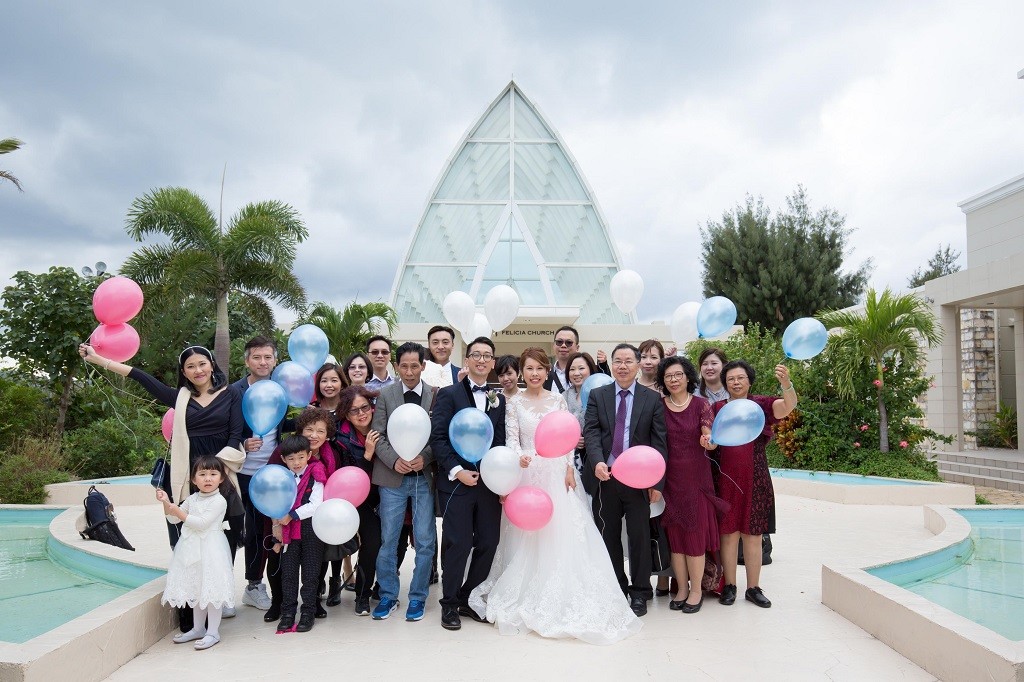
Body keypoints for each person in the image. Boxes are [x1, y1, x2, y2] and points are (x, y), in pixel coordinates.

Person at [469, 348, 642, 644]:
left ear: (547, 371)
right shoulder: (513, 403)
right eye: (529, 369)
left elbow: (566, 439)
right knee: (525, 533)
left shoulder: (557, 400)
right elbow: (511, 439)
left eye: (539, 368)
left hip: (556, 473)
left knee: (560, 531)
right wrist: (520, 457)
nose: (534, 373)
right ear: (522, 373)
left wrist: (569, 469)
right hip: (526, 474)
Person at [80, 342, 244, 625]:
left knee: (224, 536)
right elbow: (139, 376)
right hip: (187, 476)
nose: (198, 370)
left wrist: (213, 470)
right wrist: (98, 359)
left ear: (212, 365)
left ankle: (220, 596)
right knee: (187, 538)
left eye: (202, 364)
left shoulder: (231, 394)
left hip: (221, 473)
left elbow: (235, 435)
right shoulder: (178, 397)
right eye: (190, 366)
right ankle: (193, 600)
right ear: (184, 371)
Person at [582, 343, 668, 617]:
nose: (622, 366)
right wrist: (597, 461)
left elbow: (659, 442)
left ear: (638, 364)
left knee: (639, 536)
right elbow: (591, 432)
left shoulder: (651, 399)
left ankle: (640, 591)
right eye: (617, 361)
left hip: (638, 480)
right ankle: (616, 588)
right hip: (605, 476)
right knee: (608, 536)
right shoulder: (598, 395)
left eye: (628, 361)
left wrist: (657, 482)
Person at [431, 336, 506, 631]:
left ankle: (467, 597)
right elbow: (438, 438)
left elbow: (499, 441)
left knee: (489, 542)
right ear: (467, 359)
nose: (482, 360)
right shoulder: (448, 394)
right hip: (456, 483)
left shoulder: (498, 398)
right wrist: (457, 470)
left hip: (488, 484)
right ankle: (449, 603)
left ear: (493, 362)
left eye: (487, 356)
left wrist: (499, 478)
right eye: (476, 354)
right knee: (458, 544)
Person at [712, 360, 797, 609]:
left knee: (753, 534)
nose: (736, 382)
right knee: (728, 534)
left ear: (749, 381)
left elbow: (788, 406)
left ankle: (753, 588)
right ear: (725, 383)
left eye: (741, 378)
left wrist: (786, 383)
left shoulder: (761, 404)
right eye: (730, 379)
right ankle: (730, 585)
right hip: (725, 478)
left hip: (755, 477)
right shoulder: (717, 408)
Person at [370, 342, 438, 622]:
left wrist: (426, 457)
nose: (409, 372)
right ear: (396, 366)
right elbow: (378, 434)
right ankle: (388, 595)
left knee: (425, 540)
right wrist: (393, 460)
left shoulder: (435, 395)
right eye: (404, 366)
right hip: (392, 478)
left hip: (422, 478)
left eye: (415, 366)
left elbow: (439, 435)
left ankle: (418, 597)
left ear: (423, 366)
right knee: (388, 539)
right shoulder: (386, 395)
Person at [657, 356, 726, 613]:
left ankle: (696, 590)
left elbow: (710, 435)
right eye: (668, 376)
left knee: (694, 536)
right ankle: (682, 589)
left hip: (696, 479)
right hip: (669, 481)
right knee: (676, 538)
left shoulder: (701, 404)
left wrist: (709, 441)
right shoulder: (659, 406)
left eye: (678, 375)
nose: (673, 380)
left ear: (688, 377)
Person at [157, 456, 235, 651]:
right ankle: (198, 628)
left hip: (211, 548)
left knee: (212, 589)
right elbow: (173, 519)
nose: (208, 478)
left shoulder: (219, 501)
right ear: (193, 479)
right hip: (191, 548)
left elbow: (201, 524)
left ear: (221, 478)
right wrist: (166, 502)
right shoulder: (192, 499)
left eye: (213, 474)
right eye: (202, 474)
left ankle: (213, 632)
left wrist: (178, 511)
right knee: (197, 587)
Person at [231, 336, 280, 613]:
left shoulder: (281, 388)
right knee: (235, 531)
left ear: (275, 360)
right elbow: (223, 429)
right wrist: (242, 443)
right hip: (240, 474)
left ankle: (254, 585)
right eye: (257, 357)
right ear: (247, 360)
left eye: (268, 357)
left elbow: (281, 424)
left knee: (262, 531)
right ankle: (223, 591)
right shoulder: (233, 392)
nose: (263, 362)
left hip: (271, 474)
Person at [330, 386, 382, 617]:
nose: (361, 414)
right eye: (354, 411)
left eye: (364, 407)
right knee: (369, 543)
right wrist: (368, 454)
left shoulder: (383, 426)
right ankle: (359, 595)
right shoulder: (340, 438)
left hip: (383, 495)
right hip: (353, 501)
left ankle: (372, 590)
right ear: (346, 415)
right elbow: (349, 476)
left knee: (386, 544)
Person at [271, 435, 327, 633]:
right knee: (289, 575)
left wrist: (292, 515)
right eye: (291, 458)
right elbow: (273, 504)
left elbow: (316, 504)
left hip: (311, 530)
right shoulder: (280, 479)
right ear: (284, 459)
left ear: (309, 455)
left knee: (311, 574)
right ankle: (287, 613)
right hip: (288, 533)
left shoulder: (316, 473)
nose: (296, 462)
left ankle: (308, 612)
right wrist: (277, 528)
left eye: (301, 457)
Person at [309, 363, 354, 604]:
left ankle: (336, 580)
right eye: (324, 380)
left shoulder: (349, 409)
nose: (329, 385)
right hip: (317, 475)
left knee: (338, 529)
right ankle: (317, 581)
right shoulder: (312, 410)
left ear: (342, 383)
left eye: (334, 380)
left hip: (344, 475)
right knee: (318, 532)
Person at [562, 351, 597, 479]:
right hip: (570, 458)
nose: (576, 373)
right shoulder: (563, 397)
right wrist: (572, 440)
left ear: (591, 370)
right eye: (572, 369)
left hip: (594, 456)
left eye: (581, 368)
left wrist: (589, 439)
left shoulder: (600, 395)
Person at [543, 326, 578, 394]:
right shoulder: (545, 374)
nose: (563, 345)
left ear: (577, 347)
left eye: (568, 342)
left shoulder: (586, 373)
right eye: (559, 342)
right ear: (554, 345)